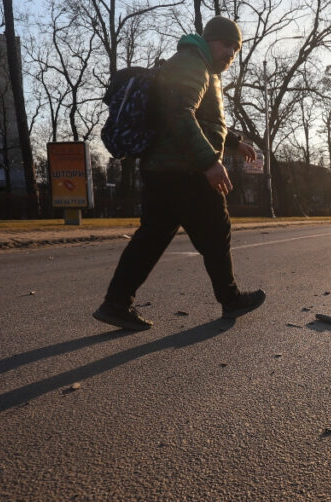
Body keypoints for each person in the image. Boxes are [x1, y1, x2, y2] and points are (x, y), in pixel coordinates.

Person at [94, 16, 266, 331]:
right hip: (185, 171)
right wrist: (208, 163)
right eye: (225, 43)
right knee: (216, 230)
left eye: (236, 47)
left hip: (163, 171)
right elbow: (179, 114)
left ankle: (116, 304)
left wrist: (235, 143)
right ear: (208, 39)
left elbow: (204, 122)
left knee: (151, 238)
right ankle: (230, 299)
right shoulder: (192, 64)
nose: (231, 52)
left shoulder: (198, 67)